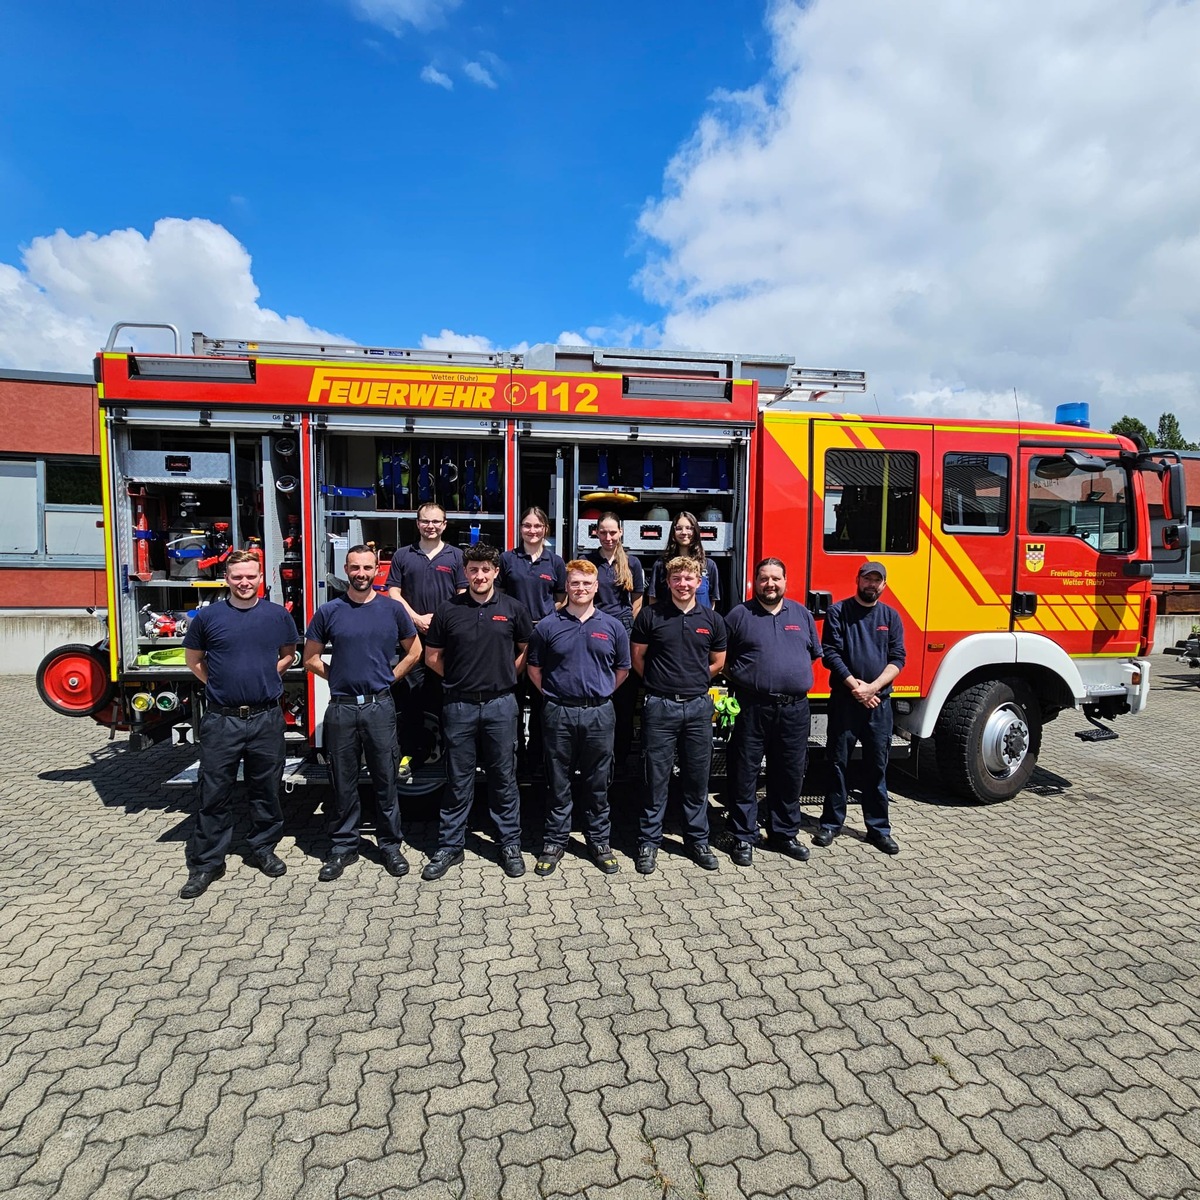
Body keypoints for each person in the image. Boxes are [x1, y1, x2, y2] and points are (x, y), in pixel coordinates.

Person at [178, 551, 299, 899]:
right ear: (226, 578)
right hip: (221, 719)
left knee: (266, 788)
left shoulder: (277, 616)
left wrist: (264, 676)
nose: (244, 583)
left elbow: (288, 654)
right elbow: (194, 661)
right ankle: (207, 864)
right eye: (237, 577)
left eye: (250, 576)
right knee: (214, 792)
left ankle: (263, 848)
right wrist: (218, 685)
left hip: (265, 718)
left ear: (261, 577)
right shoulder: (208, 618)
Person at [303, 545, 422, 881]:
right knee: (343, 782)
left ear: (376, 571)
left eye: (367, 568)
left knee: (386, 779)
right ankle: (343, 847)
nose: (361, 573)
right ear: (346, 569)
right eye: (355, 567)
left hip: (380, 706)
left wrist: (389, 678)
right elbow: (310, 658)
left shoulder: (392, 610)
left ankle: (390, 846)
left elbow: (414, 652)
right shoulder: (329, 612)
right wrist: (338, 677)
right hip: (341, 708)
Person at [421, 543, 534, 880]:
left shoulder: (514, 608)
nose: (480, 575)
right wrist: (460, 680)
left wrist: (501, 677)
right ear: (465, 572)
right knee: (458, 779)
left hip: (501, 704)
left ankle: (509, 843)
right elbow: (432, 657)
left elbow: (525, 650)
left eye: (486, 569)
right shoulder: (448, 610)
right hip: (459, 705)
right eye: (474, 570)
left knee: (503, 778)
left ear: (496, 572)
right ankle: (450, 845)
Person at [526, 560, 631, 876]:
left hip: (600, 713)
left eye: (587, 583)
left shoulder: (612, 627)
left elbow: (623, 669)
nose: (581, 589)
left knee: (598, 781)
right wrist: (555, 696)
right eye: (575, 583)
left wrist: (599, 693)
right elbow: (534, 668)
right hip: (559, 712)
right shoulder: (548, 626)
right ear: (567, 586)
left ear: (596, 587)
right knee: (558, 781)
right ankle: (555, 842)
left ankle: (599, 841)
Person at [723, 557, 823, 867]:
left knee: (790, 772)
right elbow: (720, 656)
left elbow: (813, 655)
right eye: (764, 578)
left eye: (776, 578)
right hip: (752, 706)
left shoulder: (801, 614)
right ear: (755, 582)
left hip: (794, 709)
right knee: (744, 772)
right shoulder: (739, 615)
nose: (770, 584)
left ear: (785, 581)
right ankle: (742, 835)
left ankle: (784, 833)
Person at [630, 556, 727, 874]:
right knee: (654, 778)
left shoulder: (712, 620)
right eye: (677, 579)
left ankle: (697, 841)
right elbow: (638, 658)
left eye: (689, 578)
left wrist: (694, 682)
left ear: (700, 582)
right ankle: (648, 841)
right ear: (668, 583)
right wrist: (661, 685)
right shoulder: (650, 615)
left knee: (696, 778)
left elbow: (718, 662)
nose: (683, 584)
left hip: (698, 707)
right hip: (660, 706)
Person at [814, 561, 906, 855]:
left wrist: (873, 688)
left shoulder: (890, 617)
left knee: (876, 767)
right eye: (867, 578)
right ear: (858, 579)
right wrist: (857, 688)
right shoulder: (839, 612)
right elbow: (831, 653)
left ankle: (878, 829)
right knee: (837, 763)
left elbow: (898, 659)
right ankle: (830, 824)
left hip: (879, 704)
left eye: (877, 580)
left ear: (884, 585)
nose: (871, 584)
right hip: (845, 701)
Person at [385, 502, 466, 774]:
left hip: (448, 639)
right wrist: (417, 618)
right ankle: (413, 753)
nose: (430, 526)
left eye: (436, 521)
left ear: (444, 525)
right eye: (425, 521)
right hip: (411, 638)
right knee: (412, 698)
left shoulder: (456, 556)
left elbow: (463, 594)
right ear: (417, 523)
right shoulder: (402, 556)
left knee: (448, 697)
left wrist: (440, 619)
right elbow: (393, 593)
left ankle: (452, 753)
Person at [499, 506, 567, 771]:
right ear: (520, 529)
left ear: (545, 530)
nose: (532, 530)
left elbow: (562, 598)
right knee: (512, 695)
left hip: (543, 636)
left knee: (543, 696)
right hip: (512, 637)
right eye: (527, 525)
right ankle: (515, 754)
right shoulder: (507, 559)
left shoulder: (556, 562)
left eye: (537, 526)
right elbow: (500, 595)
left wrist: (549, 619)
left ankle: (539, 755)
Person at [585, 511, 645, 775]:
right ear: (595, 533)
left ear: (621, 532)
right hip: (594, 636)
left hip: (623, 635)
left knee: (623, 702)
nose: (608, 537)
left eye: (613, 532)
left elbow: (638, 600)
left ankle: (619, 762)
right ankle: (592, 761)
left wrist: (624, 630)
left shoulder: (632, 563)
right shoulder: (587, 562)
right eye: (603, 532)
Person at [648, 511, 720, 610]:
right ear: (673, 533)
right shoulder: (661, 565)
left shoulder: (709, 565)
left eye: (689, 528)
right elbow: (653, 599)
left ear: (696, 532)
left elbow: (712, 601)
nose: (684, 532)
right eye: (678, 528)